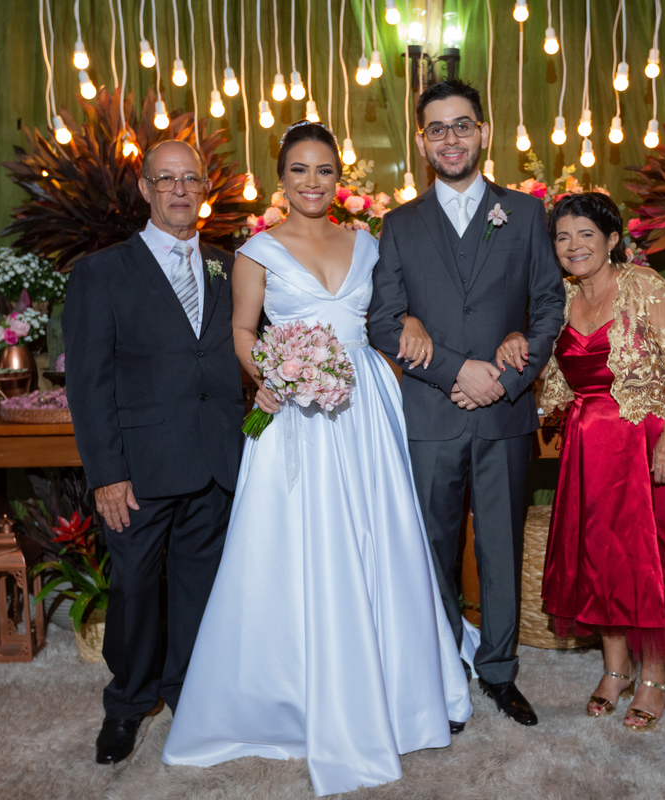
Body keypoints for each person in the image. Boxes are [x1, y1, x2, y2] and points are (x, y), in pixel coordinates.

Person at [162, 122, 471, 797]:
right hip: (294, 413)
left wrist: (411, 322)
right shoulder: (256, 252)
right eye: (299, 170)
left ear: (339, 178)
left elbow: (389, 314)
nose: (312, 182)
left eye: (324, 170)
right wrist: (270, 373)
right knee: (300, 545)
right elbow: (242, 331)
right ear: (282, 179)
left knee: (381, 538)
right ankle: (297, 693)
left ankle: (398, 689)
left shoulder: (368, 242)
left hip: (367, 406)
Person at [367, 80, 565, 727]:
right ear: (421, 141)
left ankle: (500, 672)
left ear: (484, 132)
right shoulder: (399, 225)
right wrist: (458, 370)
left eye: (461, 125)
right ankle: (445, 672)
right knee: (434, 550)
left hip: (505, 414)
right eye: (437, 128)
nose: (450, 138)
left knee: (501, 548)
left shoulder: (525, 213)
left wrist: (505, 380)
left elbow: (549, 306)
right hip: (431, 414)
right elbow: (383, 321)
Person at [506, 192, 665, 732]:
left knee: (655, 560)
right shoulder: (557, 298)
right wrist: (514, 335)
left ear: (611, 240)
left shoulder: (647, 288)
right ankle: (615, 669)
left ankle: (654, 674)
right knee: (601, 558)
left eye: (586, 234)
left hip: (649, 439)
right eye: (563, 236)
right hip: (590, 448)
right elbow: (531, 349)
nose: (574, 245)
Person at [62, 139, 245, 764]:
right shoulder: (101, 272)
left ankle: (188, 695)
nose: (179, 190)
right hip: (138, 472)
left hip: (215, 460)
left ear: (205, 189)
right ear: (145, 189)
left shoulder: (229, 266)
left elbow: (253, 350)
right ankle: (127, 704)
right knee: (136, 590)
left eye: (190, 179)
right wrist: (106, 474)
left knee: (200, 589)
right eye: (165, 179)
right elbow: (87, 385)